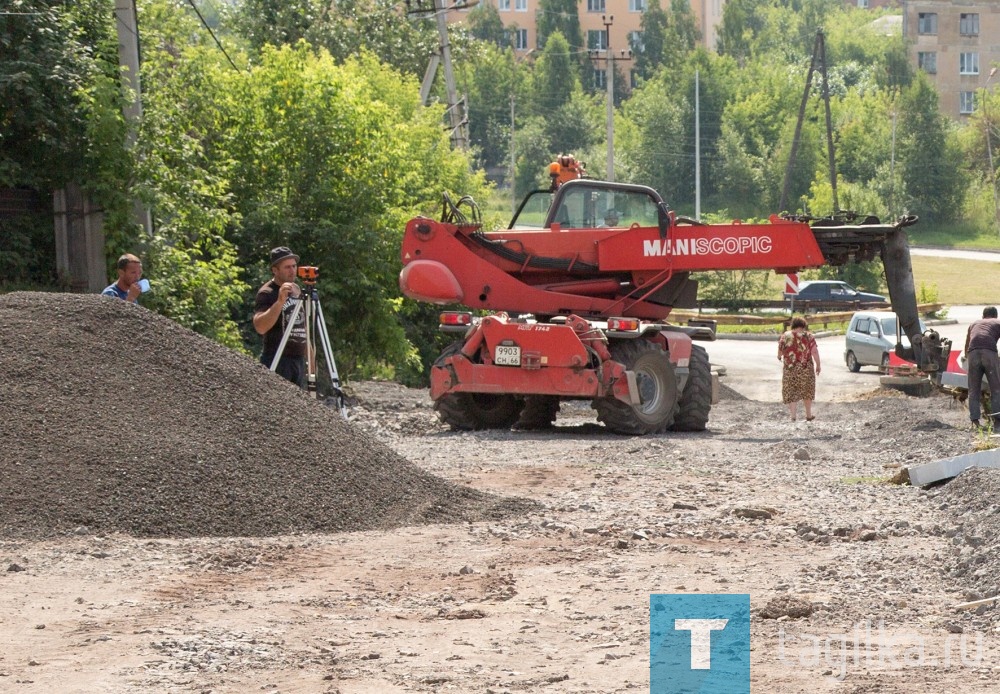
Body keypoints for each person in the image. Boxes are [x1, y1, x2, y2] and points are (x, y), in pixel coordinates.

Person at [254, 246, 307, 387]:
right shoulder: (267, 292)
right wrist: (279, 302)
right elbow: (260, 327)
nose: (292, 270)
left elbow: (302, 326)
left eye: (294, 266)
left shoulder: (296, 289)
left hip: (298, 360)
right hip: (277, 358)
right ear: (275, 270)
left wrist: (311, 357)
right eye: (287, 267)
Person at [777, 316, 821, 421]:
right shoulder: (809, 336)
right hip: (806, 368)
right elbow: (814, 351)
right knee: (807, 391)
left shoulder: (785, 336)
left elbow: (780, 350)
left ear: (793, 325)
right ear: (803, 326)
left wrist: (779, 357)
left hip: (790, 369)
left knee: (792, 391)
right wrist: (818, 365)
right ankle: (809, 415)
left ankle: (793, 416)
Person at [963, 306, 1000, 429]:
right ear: (996, 315)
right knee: (996, 389)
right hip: (989, 354)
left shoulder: (974, 323)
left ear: (983, 316)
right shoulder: (997, 322)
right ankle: (997, 423)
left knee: (973, 390)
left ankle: (975, 422)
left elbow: (967, 343)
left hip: (973, 354)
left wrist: (966, 358)